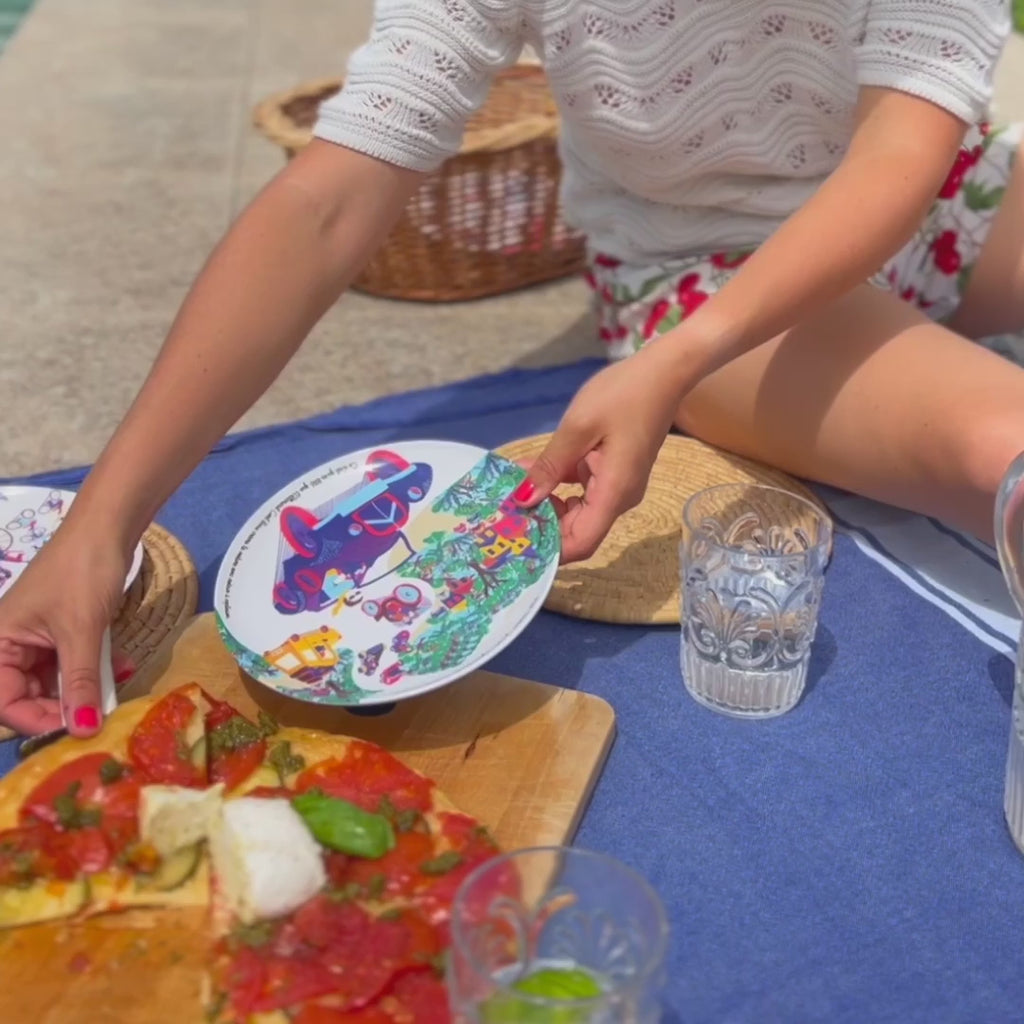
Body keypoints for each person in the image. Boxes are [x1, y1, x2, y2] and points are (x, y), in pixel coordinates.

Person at [1, 0, 1022, 737]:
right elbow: (327, 204)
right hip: (703, 284)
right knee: (1002, 448)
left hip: (942, 199)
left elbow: (901, 151)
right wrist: (102, 522)